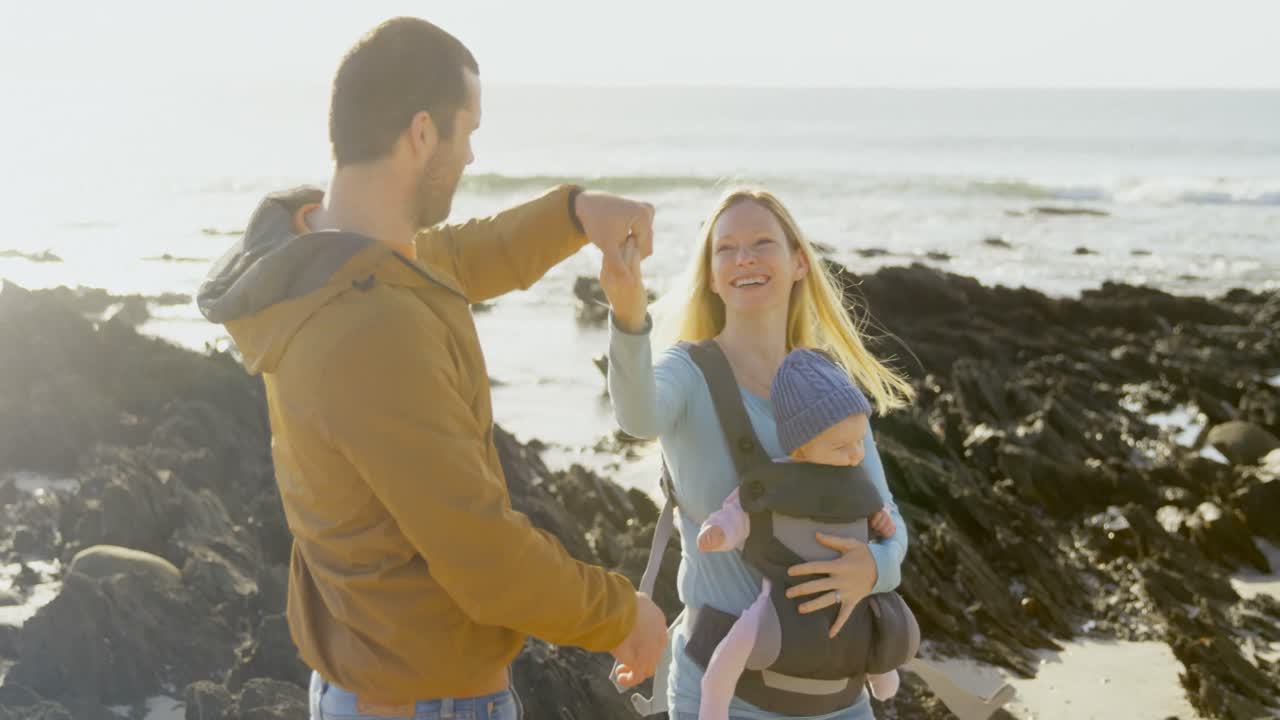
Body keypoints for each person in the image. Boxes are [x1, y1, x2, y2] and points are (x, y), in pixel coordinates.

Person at [197, 17, 667, 719]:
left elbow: (463, 255)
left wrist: (574, 212)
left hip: (378, 680)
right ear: (422, 134)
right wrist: (623, 613)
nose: (472, 156)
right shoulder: (370, 327)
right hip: (426, 701)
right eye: (467, 132)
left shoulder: (329, 260)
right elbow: (485, 555)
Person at [602, 188, 916, 719]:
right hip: (724, 697)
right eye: (726, 249)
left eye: (761, 243)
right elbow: (636, 417)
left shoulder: (827, 382)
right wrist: (629, 316)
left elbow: (887, 519)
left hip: (842, 699)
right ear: (710, 274)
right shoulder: (687, 372)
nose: (743, 258)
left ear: (798, 263)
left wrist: (874, 569)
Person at [696, 349, 913, 720]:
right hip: (783, 600)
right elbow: (740, 512)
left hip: (852, 593)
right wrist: (720, 532)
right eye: (842, 447)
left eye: (860, 442)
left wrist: (883, 523)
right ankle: (713, 702)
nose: (855, 455)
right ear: (800, 447)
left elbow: (877, 513)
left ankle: (881, 672)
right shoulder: (776, 481)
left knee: (873, 621)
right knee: (733, 649)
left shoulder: (855, 478)